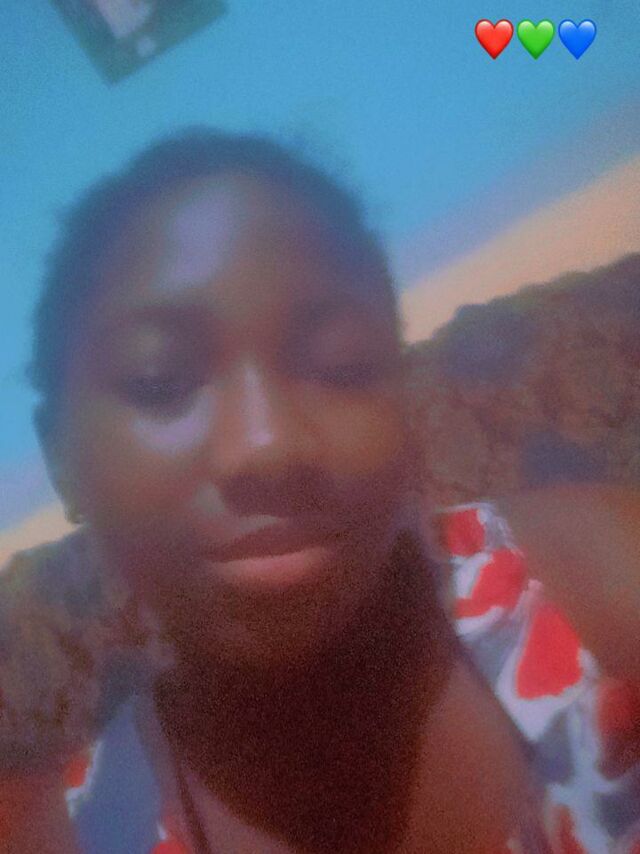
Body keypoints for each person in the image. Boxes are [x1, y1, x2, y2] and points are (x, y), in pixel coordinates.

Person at [2, 128, 639, 853]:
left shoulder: (597, 580)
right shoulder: (60, 836)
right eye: (160, 381)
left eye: (340, 364)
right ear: (63, 461)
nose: (268, 443)